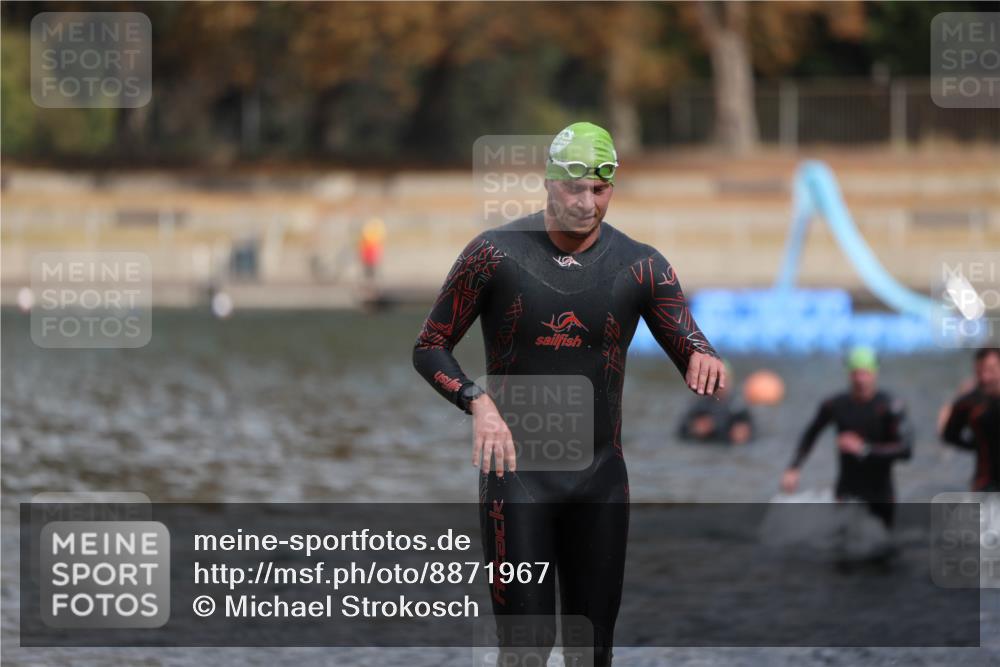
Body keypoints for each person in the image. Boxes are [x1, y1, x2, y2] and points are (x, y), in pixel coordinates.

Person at [412, 121, 724, 666]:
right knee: (526, 651)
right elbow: (430, 346)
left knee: (592, 653)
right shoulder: (493, 255)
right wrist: (476, 401)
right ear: (549, 183)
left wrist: (702, 356)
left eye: (599, 190)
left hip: (601, 481)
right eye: (574, 188)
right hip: (517, 481)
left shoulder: (642, 266)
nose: (586, 203)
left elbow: (691, 341)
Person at [780, 346, 913, 528]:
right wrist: (794, 468)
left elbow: (906, 450)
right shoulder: (835, 405)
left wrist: (864, 448)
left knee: (882, 549)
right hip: (846, 491)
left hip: (881, 495)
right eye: (855, 373)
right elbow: (811, 434)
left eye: (865, 373)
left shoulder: (890, 406)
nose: (860, 379)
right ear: (849, 374)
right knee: (841, 550)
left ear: (874, 373)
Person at [940, 348, 1000, 492]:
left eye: (991, 370)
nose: (985, 378)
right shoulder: (970, 402)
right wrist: (975, 445)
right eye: (980, 372)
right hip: (986, 483)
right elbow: (948, 434)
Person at [677, 360, 754, 444]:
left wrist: (745, 433)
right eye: (717, 380)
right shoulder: (700, 405)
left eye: (725, 379)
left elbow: (756, 433)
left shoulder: (739, 406)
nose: (721, 384)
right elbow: (681, 431)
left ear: (731, 381)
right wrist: (694, 429)